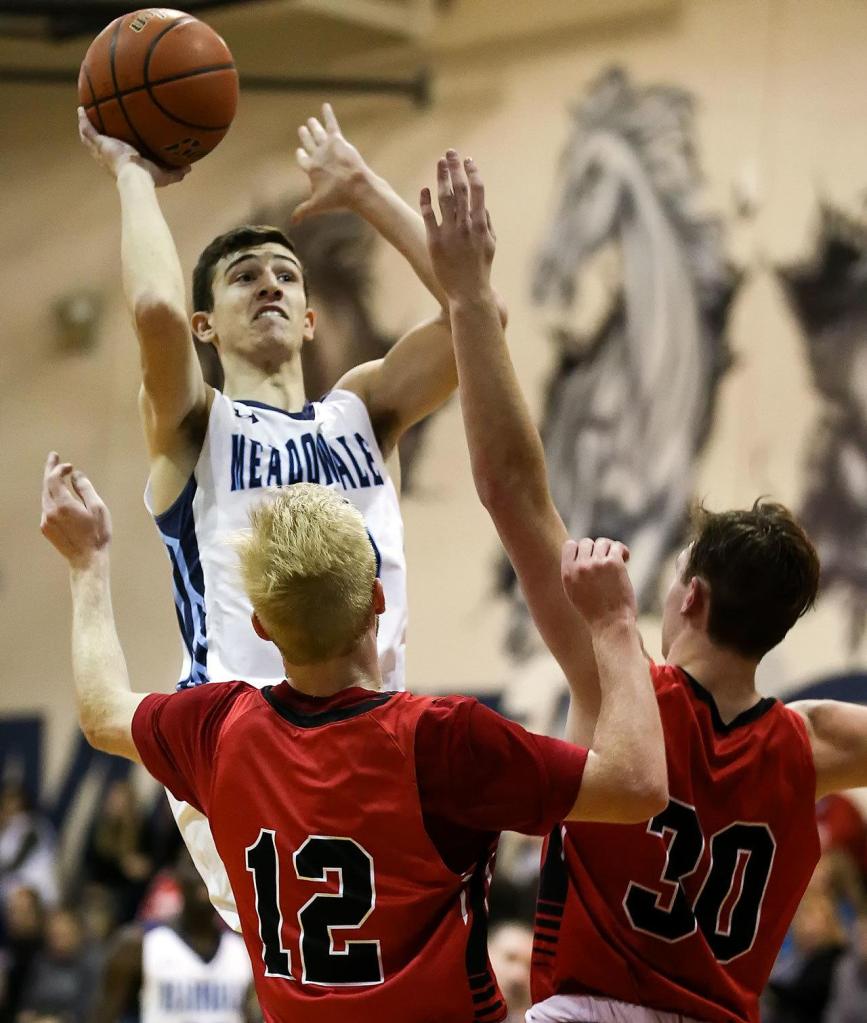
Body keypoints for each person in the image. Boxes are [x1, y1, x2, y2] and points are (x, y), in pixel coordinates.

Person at [422, 149, 867, 1023]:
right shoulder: (812, 741)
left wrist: (468, 294)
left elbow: (510, 488)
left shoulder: (618, 679)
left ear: (689, 597)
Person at [39, 449, 666, 1022]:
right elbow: (636, 785)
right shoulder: (442, 739)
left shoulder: (216, 728)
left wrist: (87, 564)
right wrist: (613, 622)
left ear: (261, 627)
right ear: (377, 599)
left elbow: (100, 713)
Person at [78, 102, 487, 929]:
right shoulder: (197, 423)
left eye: (285, 274)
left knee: (399, 967)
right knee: (316, 966)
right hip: (244, 742)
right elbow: (155, 311)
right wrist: (131, 174)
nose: (268, 281)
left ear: (309, 318)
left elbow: (475, 319)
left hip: (372, 726)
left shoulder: (363, 408)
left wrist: (363, 189)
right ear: (205, 325)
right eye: (242, 276)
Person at [92, 852, 255, 1023]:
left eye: (214, 866)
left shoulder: (243, 950)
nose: (204, 874)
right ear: (177, 875)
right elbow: (104, 1015)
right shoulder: (138, 944)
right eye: (195, 865)